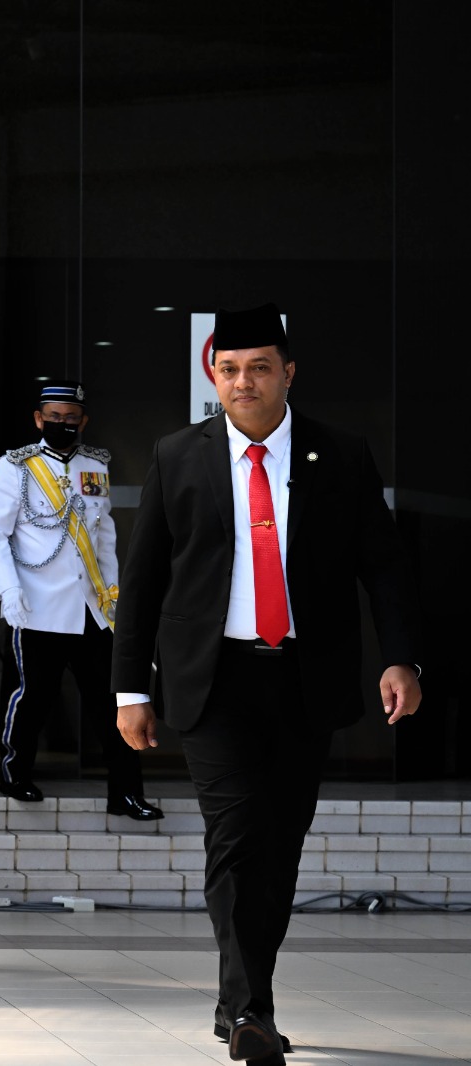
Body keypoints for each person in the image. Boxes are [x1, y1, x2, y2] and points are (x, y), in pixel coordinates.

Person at [113, 304, 422, 1065]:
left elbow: (382, 565)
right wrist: (129, 691)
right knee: (238, 836)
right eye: (228, 369)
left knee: (279, 846)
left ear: (288, 372)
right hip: (212, 681)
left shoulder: (341, 456)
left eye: (258, 368)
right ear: (212, 377)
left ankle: (237, 1000)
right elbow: (144, 580)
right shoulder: (178, 455)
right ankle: (252, 1012)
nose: (242, 381)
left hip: (305, 680)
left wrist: (400, 657)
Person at [0, 380, 161, 819]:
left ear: (84, 421)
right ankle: (15, 774)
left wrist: (112, 596)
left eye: (71, 418)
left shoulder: (95, 465)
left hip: (91, 608)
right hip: (38, 604)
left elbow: (103, 538)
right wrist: (9, 590)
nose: (63, 424)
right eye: (54, 418)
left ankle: (126, 793)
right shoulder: (15, 466)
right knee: (32, 698)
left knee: (112, 702)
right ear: (39, 419)